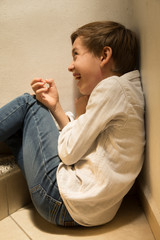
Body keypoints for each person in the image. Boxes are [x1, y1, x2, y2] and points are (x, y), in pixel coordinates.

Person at [0, 21, 145, 227]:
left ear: (104, 56)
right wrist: (56, 106)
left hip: (59, 198)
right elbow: (81, 144)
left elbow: (68, 153)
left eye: (76, 54)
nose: (70, 66)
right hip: (90, 213)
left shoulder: (112, 88)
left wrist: (79, 113)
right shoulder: (128, 91)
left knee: (29, 103)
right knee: (19, 130)